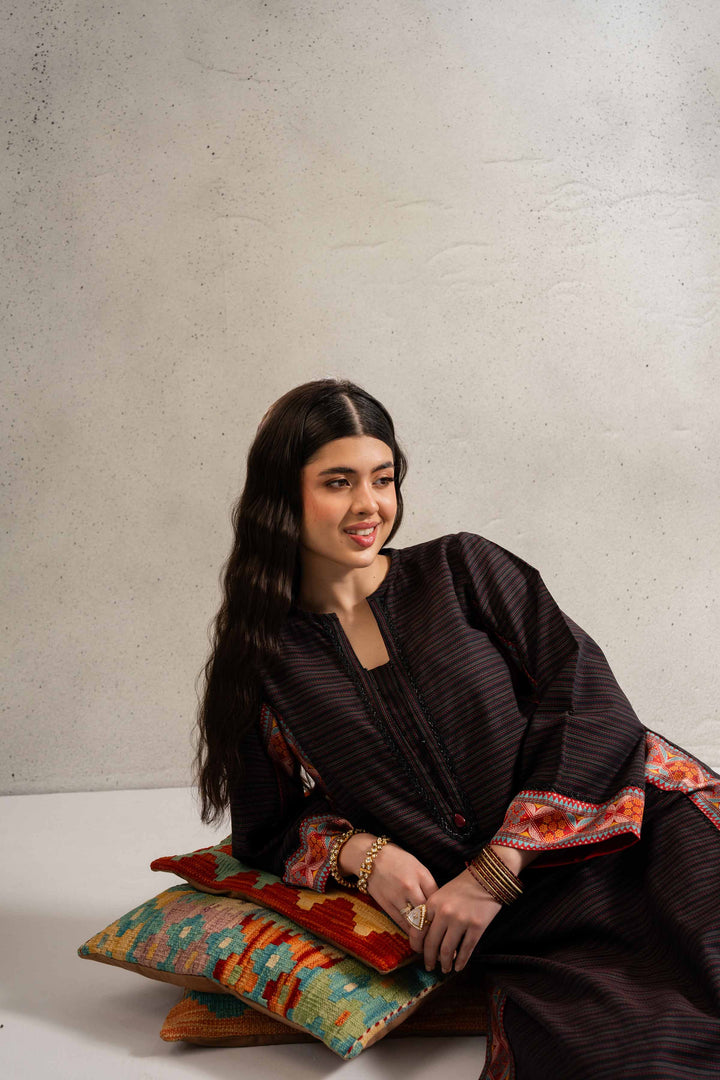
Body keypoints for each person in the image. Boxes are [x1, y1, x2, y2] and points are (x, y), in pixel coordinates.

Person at [194, 377, 720, 1079]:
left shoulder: (462, 569)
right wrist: (362, 855)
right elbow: (265, 831)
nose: (369, 504)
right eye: (338, 482)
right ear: (282, 495)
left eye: (383, 478)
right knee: (637, 1060)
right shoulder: (266, 663)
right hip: (529, 935)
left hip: (642, 838)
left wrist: (495, 869)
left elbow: (587, 699)